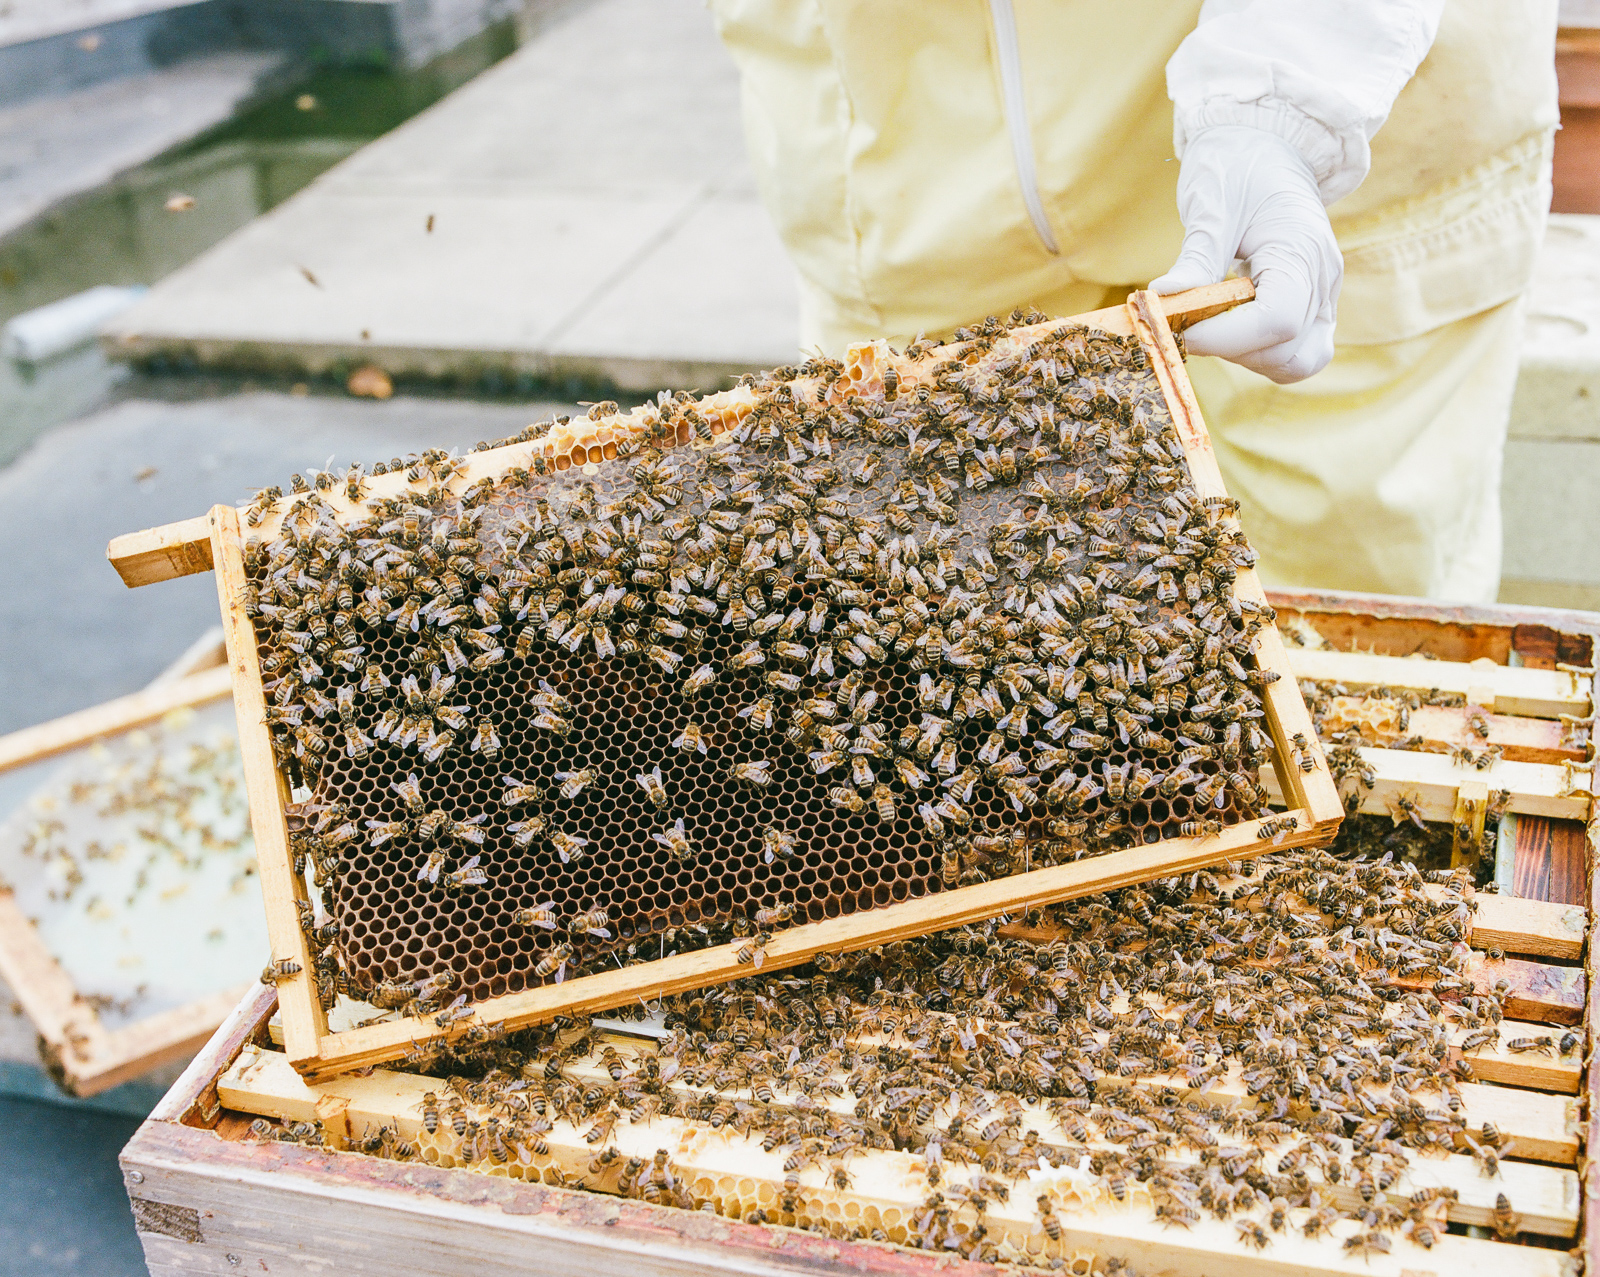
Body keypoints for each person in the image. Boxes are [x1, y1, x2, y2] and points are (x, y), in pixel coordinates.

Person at [708, 1, 1559, 602]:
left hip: (1351, 94)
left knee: (1352, 624)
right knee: (925, 599)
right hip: (899, 134)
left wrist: (1285, 103)